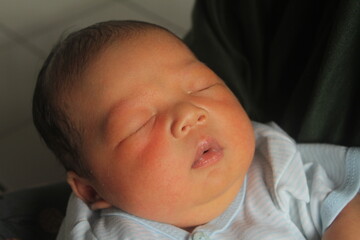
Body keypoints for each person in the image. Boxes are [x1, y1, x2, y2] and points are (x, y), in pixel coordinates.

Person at [32, 20, 359, 240]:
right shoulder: (103, 233)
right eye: (139, 123)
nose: (190, 112)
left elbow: (347, 205)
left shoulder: (274, 165)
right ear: (92, 190)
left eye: (201, 86)